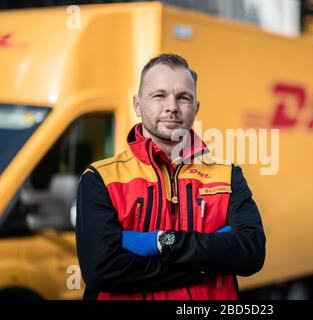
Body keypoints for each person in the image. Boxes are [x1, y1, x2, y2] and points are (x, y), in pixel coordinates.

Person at [75, 53, 266, 300]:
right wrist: (206, 263)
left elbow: (251, 253)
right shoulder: (100, 178)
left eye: (183, 98)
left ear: (195, 108)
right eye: (159, 95)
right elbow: (102, 270)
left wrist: (160, 242)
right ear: (137, 104)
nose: (172, 107)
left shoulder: (228, 176)